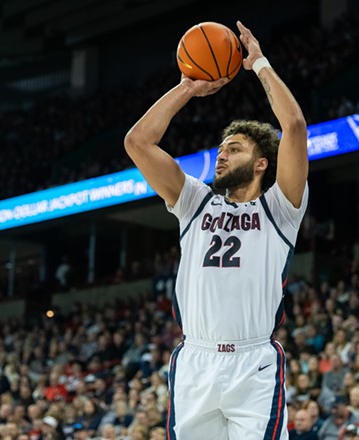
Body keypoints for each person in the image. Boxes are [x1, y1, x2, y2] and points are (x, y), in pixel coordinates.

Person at [124, 21, 309, 440]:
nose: (221, 156)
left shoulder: (281, 207)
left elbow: (294, 127)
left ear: (262, 163)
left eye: (235, 149)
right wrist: (188, 87)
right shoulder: (194, 201)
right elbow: (138, 142)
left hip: (253, 362)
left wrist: (258, 62)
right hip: (196, 360)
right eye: (221, 148)